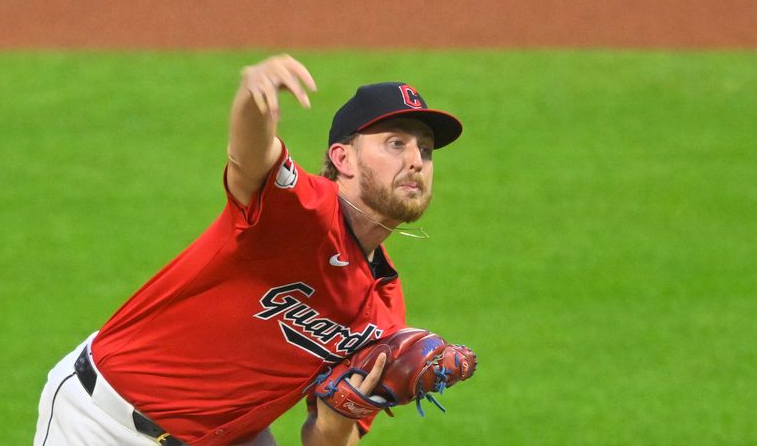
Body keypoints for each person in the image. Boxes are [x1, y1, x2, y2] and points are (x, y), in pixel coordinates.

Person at [33, 54, 463, 446]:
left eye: (425, 151)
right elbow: (250, 157)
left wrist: (342, 414)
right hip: (101, 422)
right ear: (343, 159)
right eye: (396, 144)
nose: (416, 162)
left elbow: (325, 440)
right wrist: (252, 95)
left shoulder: (383, 314)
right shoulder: (300, 210)